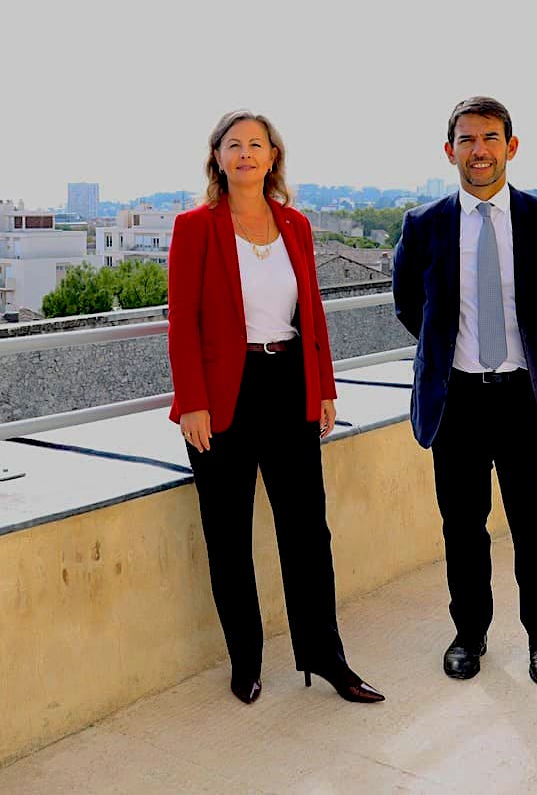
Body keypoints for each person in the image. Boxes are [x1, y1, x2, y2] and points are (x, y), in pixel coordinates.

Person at [166, 109, 384, 706]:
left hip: (289, 384)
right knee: (229, 538)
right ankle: (247, 662)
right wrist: (191, 403)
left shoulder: (296, 225)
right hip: (222, 398)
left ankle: (326, 657)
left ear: (272, 157)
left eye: (255, 145)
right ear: (217, 157)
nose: (244, 154)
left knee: (308, 533)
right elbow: (182, 323)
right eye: (233, 145)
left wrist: (325, 388)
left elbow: (311, 311)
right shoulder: (194, 227)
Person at [392, 96, 537, 686]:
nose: (480, 150)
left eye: (491, 138)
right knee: (462, 524)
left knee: (535, 523)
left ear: (511, 146)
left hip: (526, 398)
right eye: (468, 139)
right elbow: (411, 307)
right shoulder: (423, 226)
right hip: (457, 402)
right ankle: (469, 633)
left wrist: (530, 350)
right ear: (450, 150)